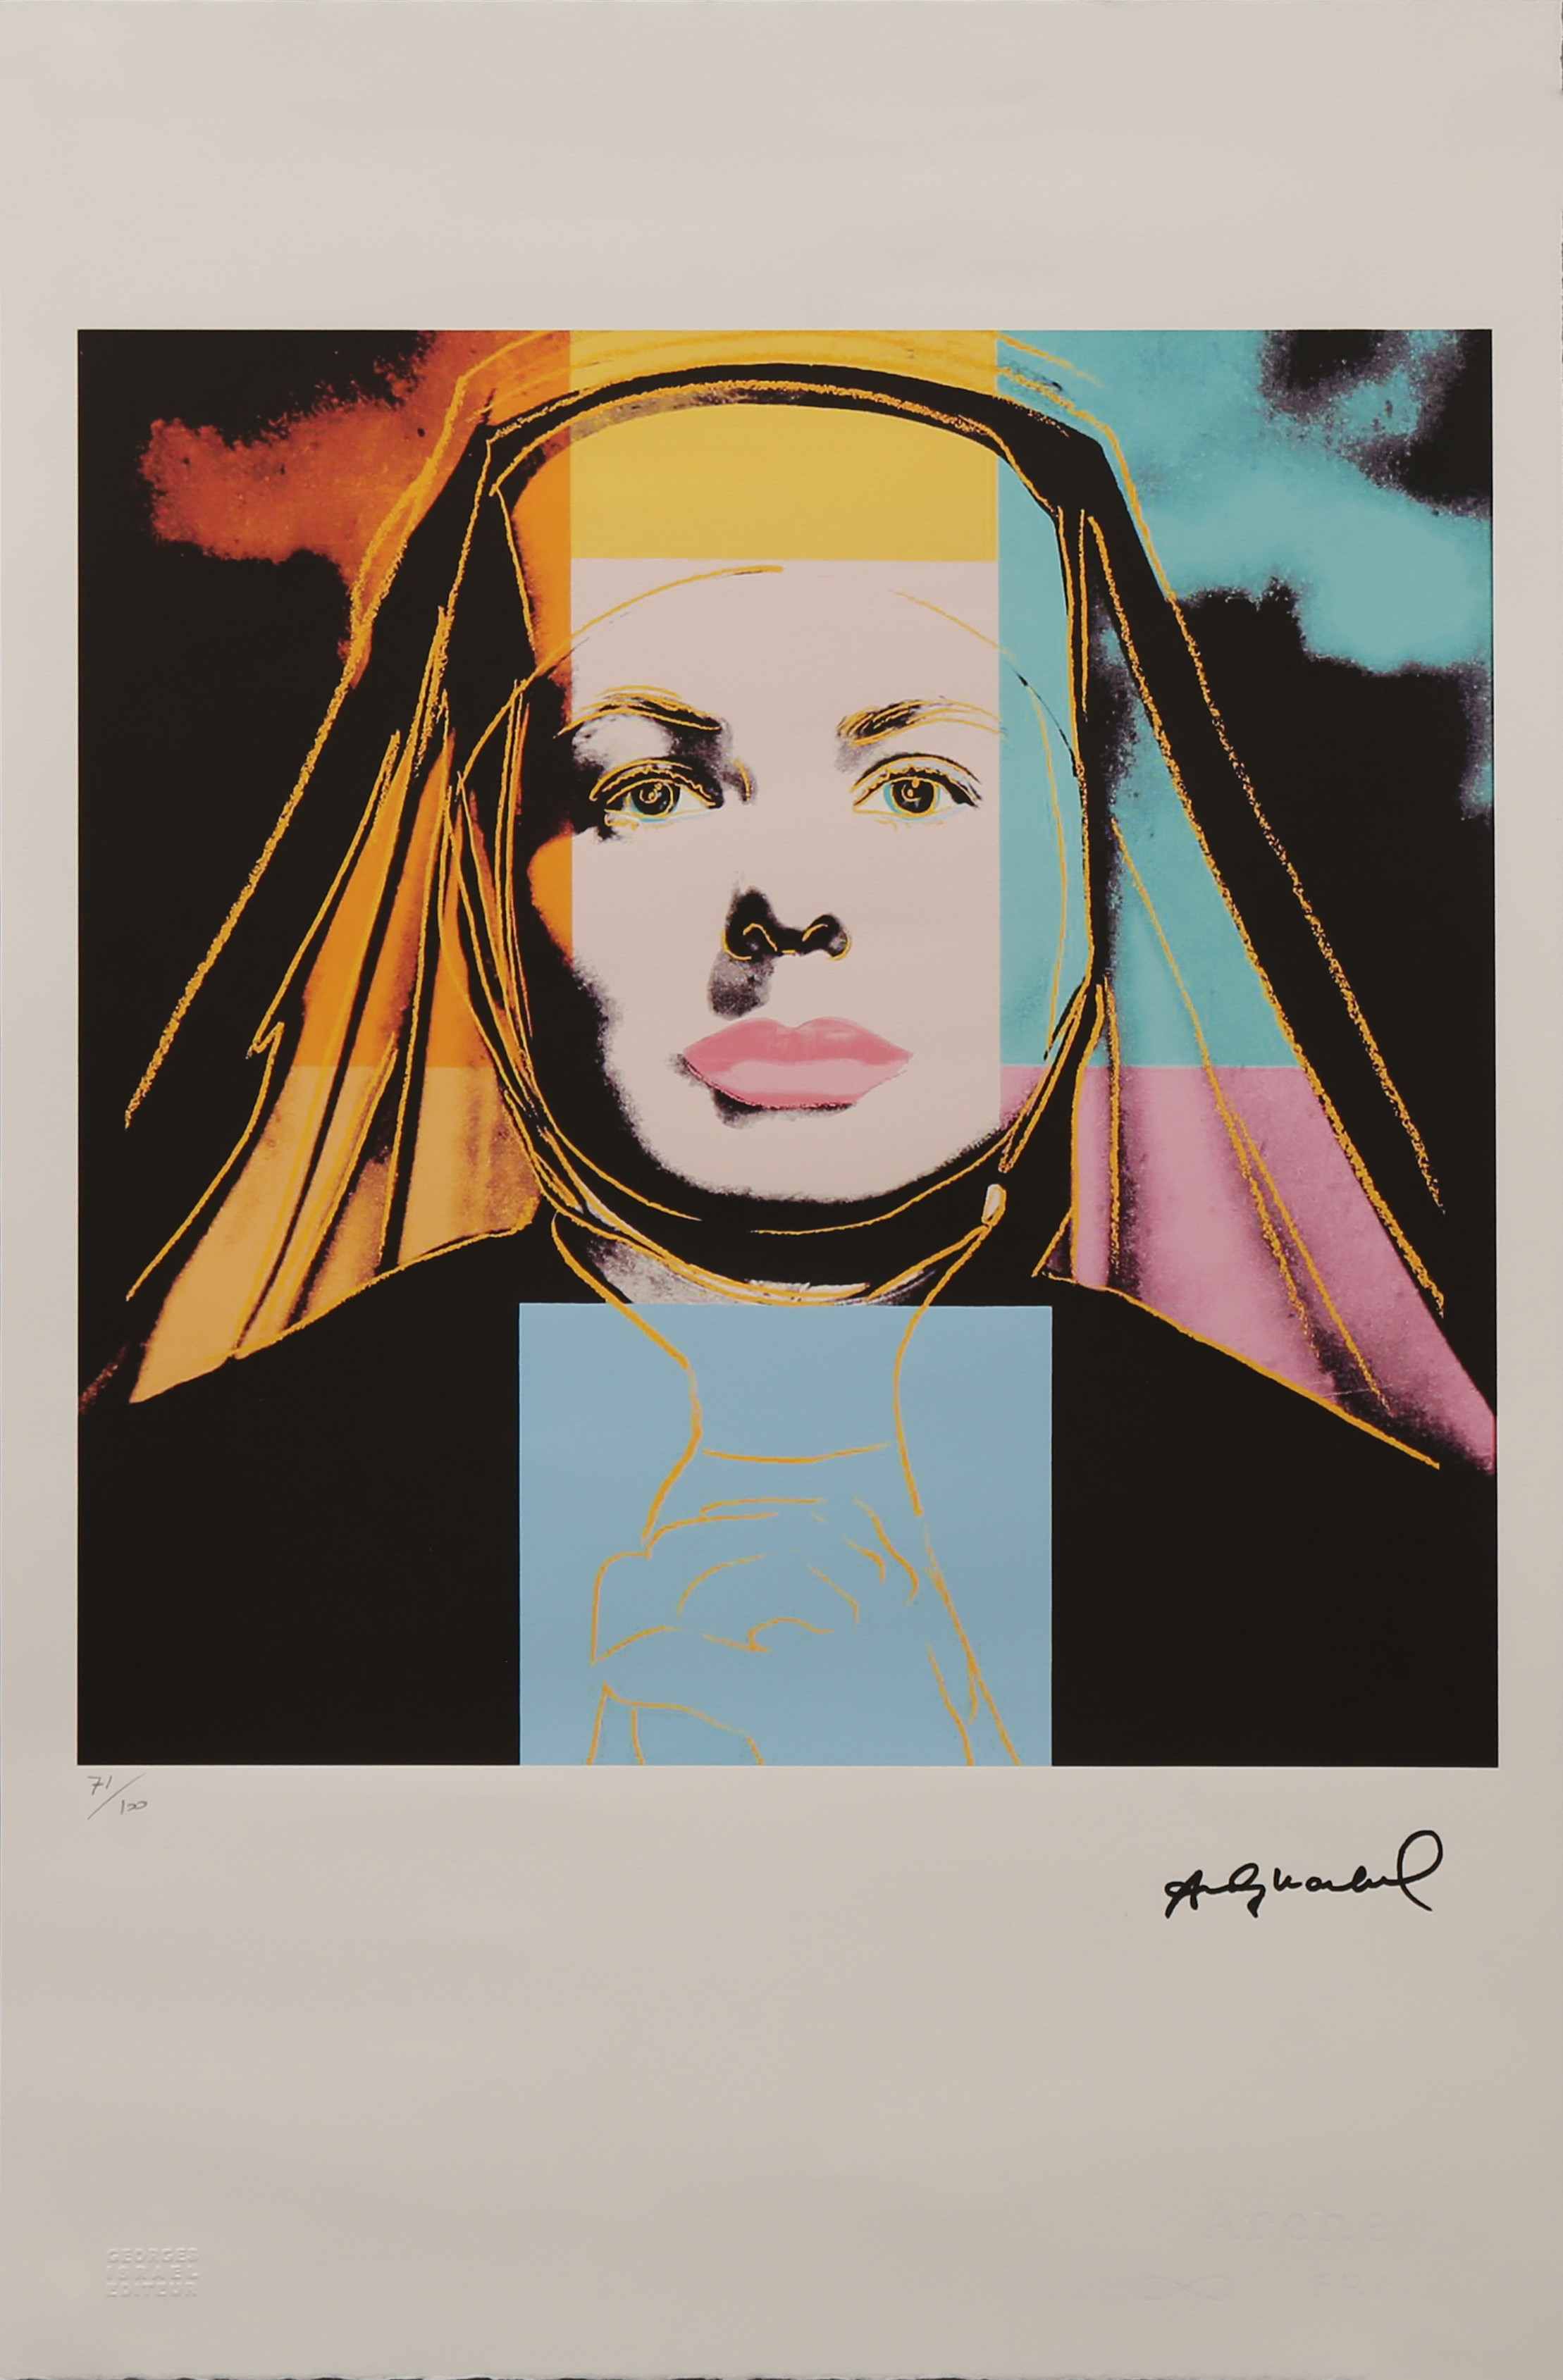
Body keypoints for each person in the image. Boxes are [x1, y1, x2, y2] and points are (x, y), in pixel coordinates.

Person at [79, 334, 1495, 1766]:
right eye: (645, 789)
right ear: (478, 867)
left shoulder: (1374, 1579)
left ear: (1090, 859)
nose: (791, 906)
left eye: (918, 786)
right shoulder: (158, 1559)